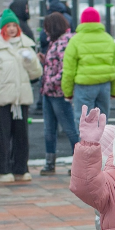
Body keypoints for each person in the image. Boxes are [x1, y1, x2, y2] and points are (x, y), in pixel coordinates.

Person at [0, 9, 42, 183]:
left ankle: (21, 168)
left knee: (22, 137)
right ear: (3, 28)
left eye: (14, 25)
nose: (12, 29)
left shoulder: (26, 46)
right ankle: (2, 169)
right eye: (8, 26)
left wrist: (31, 60)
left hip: (21, 100)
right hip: (2, 100)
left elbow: (36, 73)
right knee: (2, 137)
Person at [61, 7, 115, 119]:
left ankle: (85, 138)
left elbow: (69, 70)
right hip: (105, 85)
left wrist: (68, 92)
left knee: (84, 121)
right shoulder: (108, 39)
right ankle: (102, 137)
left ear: (82, 21)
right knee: (102, 120)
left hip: (84, 86)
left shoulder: (75, 40)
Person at [39, 12, 78, 176]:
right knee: (49, 129)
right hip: (49, 92)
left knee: (69, 128)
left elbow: (65, 69)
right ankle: (50, 163)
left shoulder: (64, 43)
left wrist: (50, 81)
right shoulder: (56, 42)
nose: (45, 32)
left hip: (58, 92)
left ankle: (78, 163)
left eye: (47, 28)